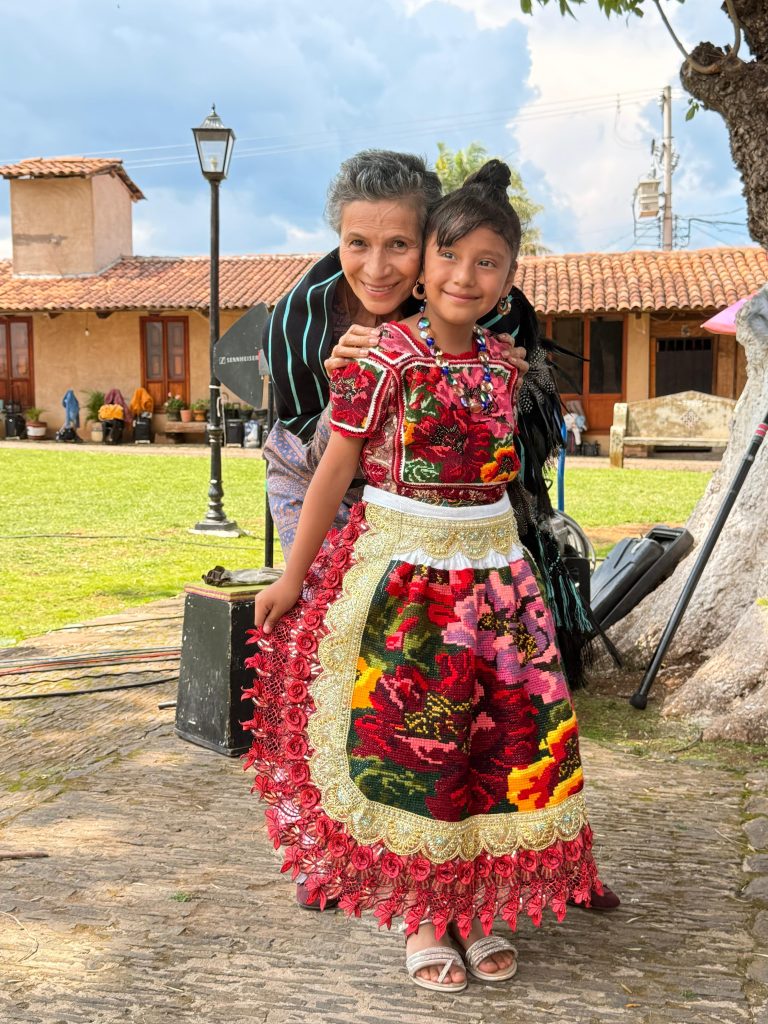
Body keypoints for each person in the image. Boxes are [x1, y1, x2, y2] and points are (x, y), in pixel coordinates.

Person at [244, 160, 604, 992]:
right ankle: (423, 915)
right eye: (448, 257)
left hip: (497, 583)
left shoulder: (502, 364)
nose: (461, 276)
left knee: (504, 736)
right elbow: (331, 467)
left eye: (488, 264)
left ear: (510, 279)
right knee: (415, 745)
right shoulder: (377, 356)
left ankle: (482, 907)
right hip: (406, 578)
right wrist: (293, 578)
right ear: (429, 261)